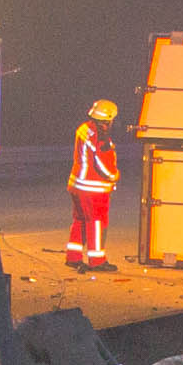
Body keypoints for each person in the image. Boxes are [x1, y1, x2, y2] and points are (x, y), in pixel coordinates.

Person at [67, 97, 122, 270]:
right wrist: (114, 176)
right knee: (96, 222)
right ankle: (97, 261)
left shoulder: (84, 129)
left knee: (80, 220)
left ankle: (73, 257)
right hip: (93, 188)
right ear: (106, 120)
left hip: (77, 185)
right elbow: (102, 164)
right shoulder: (101, 138)